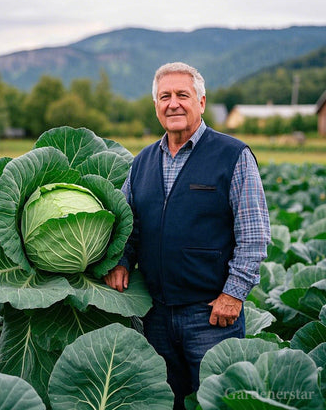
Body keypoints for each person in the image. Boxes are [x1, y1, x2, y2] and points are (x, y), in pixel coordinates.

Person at [104, 62, 271, 409]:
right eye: (165, 97)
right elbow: (128, 223)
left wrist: (233, 295)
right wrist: (121, 260)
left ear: (202, 101)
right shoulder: (143, 162)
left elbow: (254, 235)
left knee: (220, 403)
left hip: (211, 315)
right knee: (168, 402)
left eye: (183, 94)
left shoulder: (232, 155)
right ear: (156, 106)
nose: (173, 104)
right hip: (156, 314)